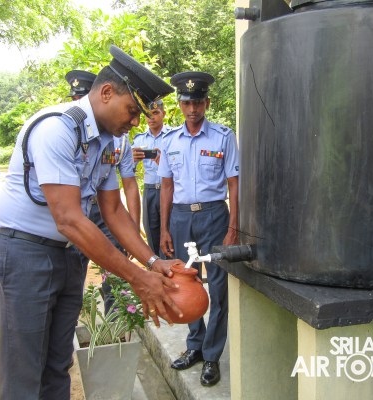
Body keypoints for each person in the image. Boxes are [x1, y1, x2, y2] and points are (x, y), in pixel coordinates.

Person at [0, 46, 184, 399]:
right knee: (24, 369)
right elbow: (69, 219)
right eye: (132, 111)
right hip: (25, 254)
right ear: (106, 92)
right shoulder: (57, 128)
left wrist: (153, 261)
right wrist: (138, 278)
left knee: (58, 363)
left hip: (69, 256)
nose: (136, 122)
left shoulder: (110, 141)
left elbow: (114, 211)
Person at [158, 71, 239, 387]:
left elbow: (234, 183)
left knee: (218, 286)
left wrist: (233, 227)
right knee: (184, 284)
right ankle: (195, 345)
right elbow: (166, 186)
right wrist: (164, 229)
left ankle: (212, 355)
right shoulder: (169, 141)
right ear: (180, 105)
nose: (193, 109)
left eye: (198, 103)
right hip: (181, 218)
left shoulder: (223, 137)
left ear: (207, 103)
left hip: (214, 216)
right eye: (187, 103)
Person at [65, 70, 141, 313]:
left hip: (102, 212)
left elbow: (126, 189)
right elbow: (68, 217)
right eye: (75, 100)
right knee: (73, 274)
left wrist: (134, 234)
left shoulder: (116, 138)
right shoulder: (61, 131)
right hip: (72, 216)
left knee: (115, 279)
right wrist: (142, 275)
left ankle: (116, 322)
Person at [132, 100, 172, 256]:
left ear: (163, 113)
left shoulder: (173, 136)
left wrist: (164, 163)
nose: (151, 118)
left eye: (155, 113)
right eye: (147, 114)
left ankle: (171, 267)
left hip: (169, 190)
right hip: (150, 191)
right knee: (151, 232)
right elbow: (128, 169)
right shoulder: (139, 140)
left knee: (170, 233)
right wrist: (132, 159)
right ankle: (156, 266)